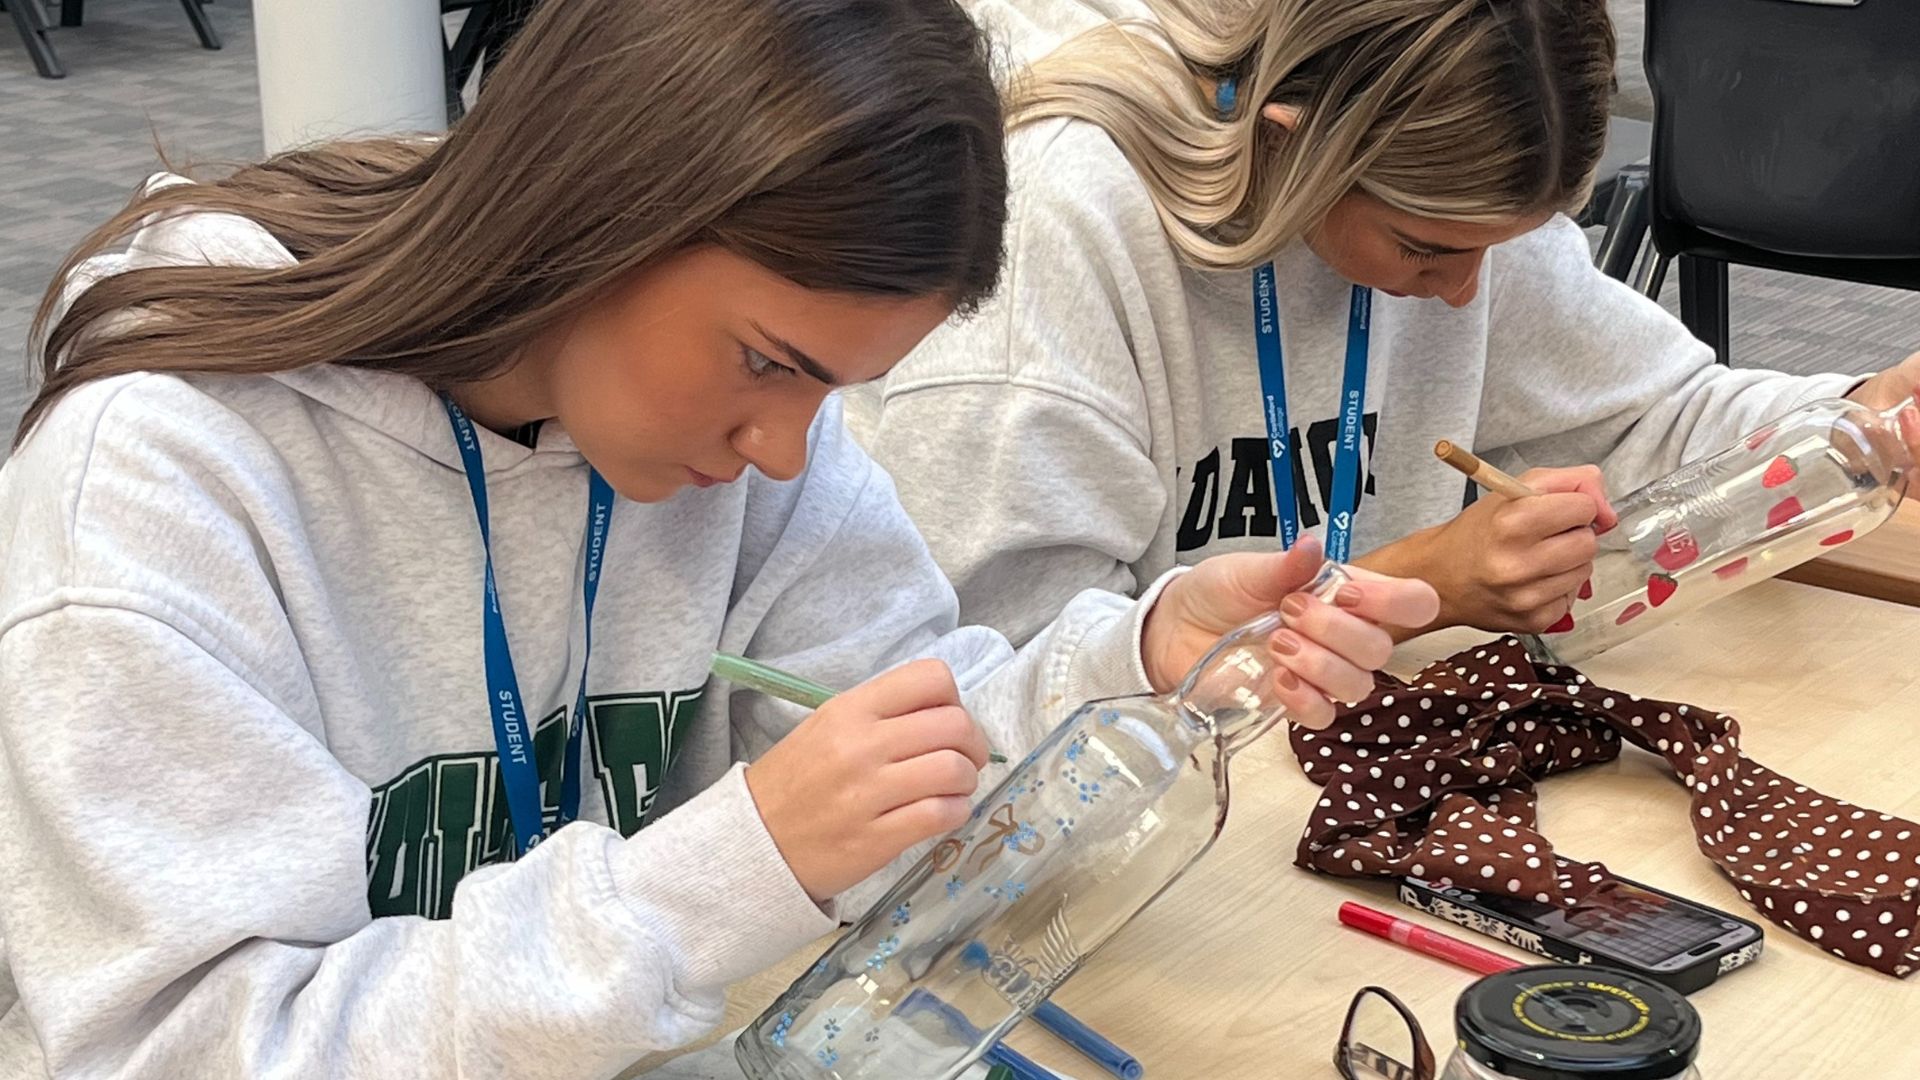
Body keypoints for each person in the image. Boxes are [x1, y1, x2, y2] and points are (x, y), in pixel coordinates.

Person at [0, 2, 1442, 1076]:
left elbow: (895, 736)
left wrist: (1130, 662)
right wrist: (715, 878)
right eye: (768, 362)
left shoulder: (737, 454)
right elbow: (176, 1049)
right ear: (589, 213)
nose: (790, 450)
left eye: (834, 389)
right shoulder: (170, 476)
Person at [847, 0, 1920, 646]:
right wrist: (1416, 583)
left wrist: (1853, 419)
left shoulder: (1458, 202)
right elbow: (999, 660)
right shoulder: (1061, 230)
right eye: (1424, 251)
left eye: (1498, 249)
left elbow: (1655, 413)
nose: (1465, 295)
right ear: (1289, 146)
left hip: (1314, 757)